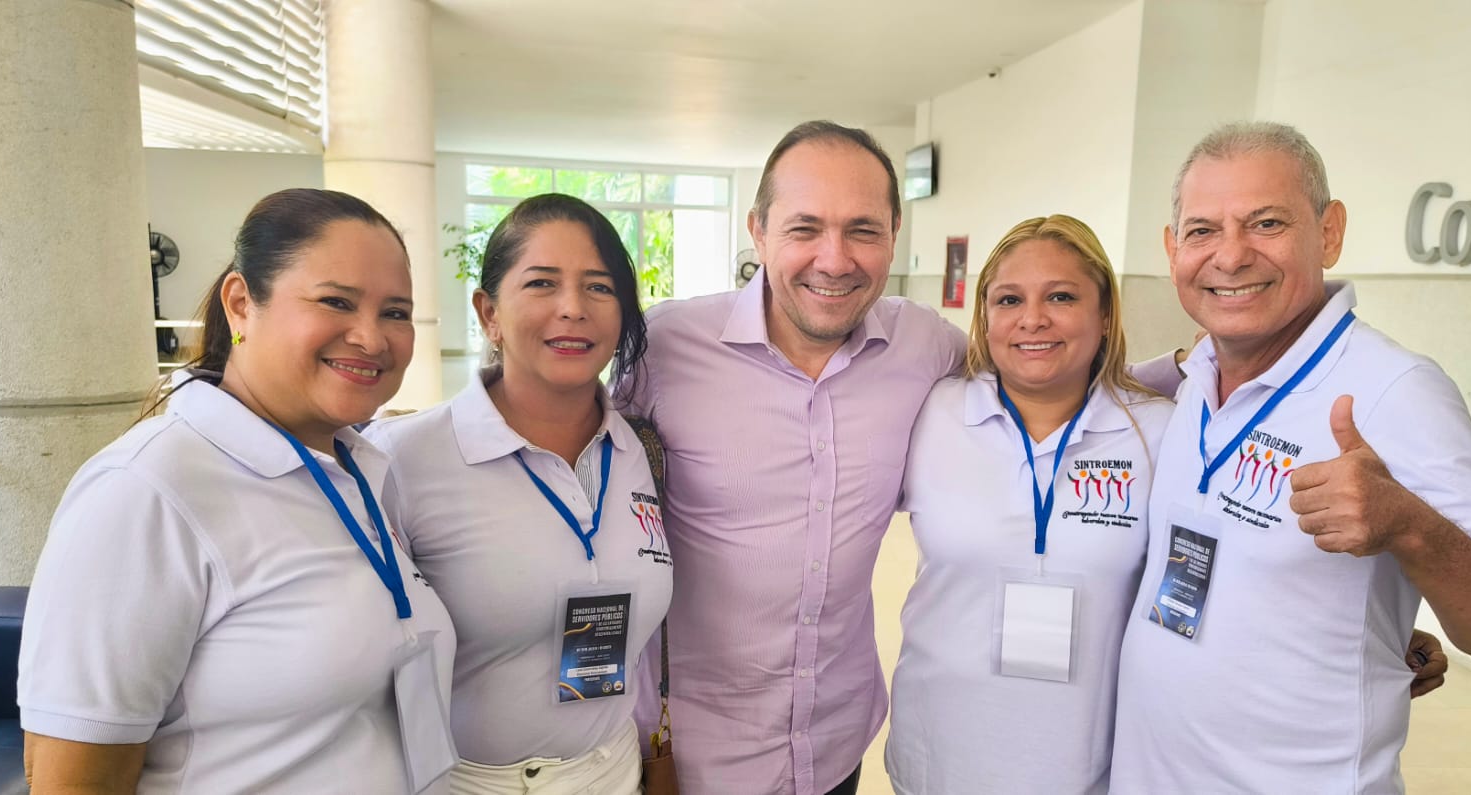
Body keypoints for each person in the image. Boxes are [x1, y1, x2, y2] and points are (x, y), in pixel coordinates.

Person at [1110, 122, 1471, 793]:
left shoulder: (1392, 392)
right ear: (1173, 250)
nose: (1230, 256)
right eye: (1202, 230)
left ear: (1329, 232)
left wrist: (1410, 527)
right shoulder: (1194, 374)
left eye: (1265, 223)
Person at [18, 189, 457, 793]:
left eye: (396, 312)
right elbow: (74, 778)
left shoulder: (357, 464)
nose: (372, 338)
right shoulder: (146, 490)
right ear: (241, 303)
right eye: (336, 301)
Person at [616, 121, 965, 795]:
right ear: (759, 229)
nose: (834, 260)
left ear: (896, 231)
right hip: (693, 757)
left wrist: (1185, 378)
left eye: (863, 229)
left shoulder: (925, 347)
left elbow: (1043, 381)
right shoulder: (666, 345)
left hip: (836, 744)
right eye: (805, 228)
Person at [364, 193, 672, 795]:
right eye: (541, 284)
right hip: (468, 782)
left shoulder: (640, 450)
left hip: (613, 771)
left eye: (600, 288)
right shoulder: (402, 460)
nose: (573, 309)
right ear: (489, 313)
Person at [885, 215, 1173, 795]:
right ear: (985, 317)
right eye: (1009, 299)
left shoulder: (1157, 433)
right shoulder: (932, 412)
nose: (1032, 319)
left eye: (1061, 296)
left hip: (1088, 763)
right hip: (938, 755)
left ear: (1105, 314)